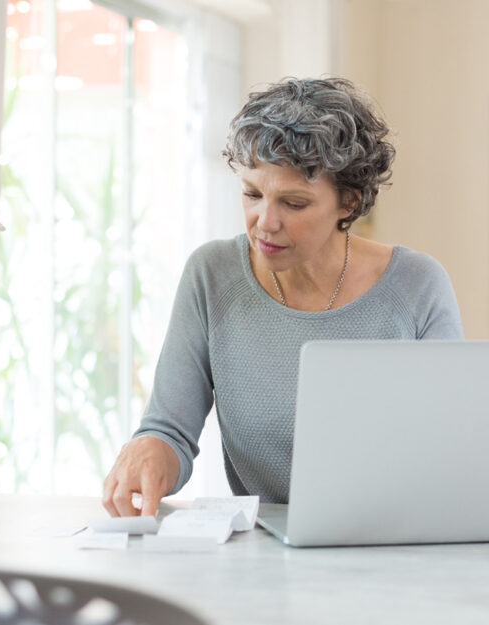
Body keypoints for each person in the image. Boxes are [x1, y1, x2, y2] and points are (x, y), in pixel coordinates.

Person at [102, 77, 464, 518]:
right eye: (252, 194)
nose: (265, 223)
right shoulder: (212, 275)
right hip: (266, 554)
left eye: (293, 204)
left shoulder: (417, 285)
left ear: (348, 203)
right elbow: (170, 431)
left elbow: (450, 447)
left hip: (396, 542)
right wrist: (150, 448)